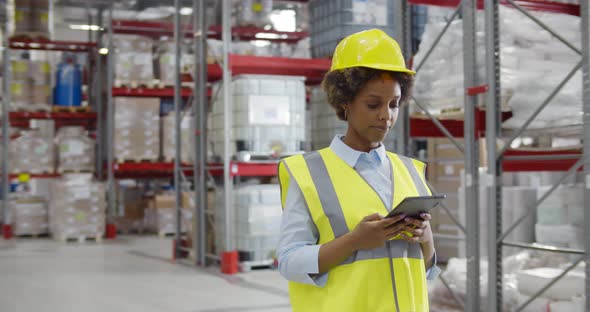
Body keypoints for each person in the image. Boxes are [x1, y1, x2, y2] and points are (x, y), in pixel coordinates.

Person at [277, 29, 440, 312]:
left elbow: (425, 269)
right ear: (345, 102)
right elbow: (289, 262)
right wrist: (355, 241)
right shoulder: (308, 173)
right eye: (373, 104)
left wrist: (426, 240)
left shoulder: (411, 171)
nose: (386, 115)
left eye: (394, 104)